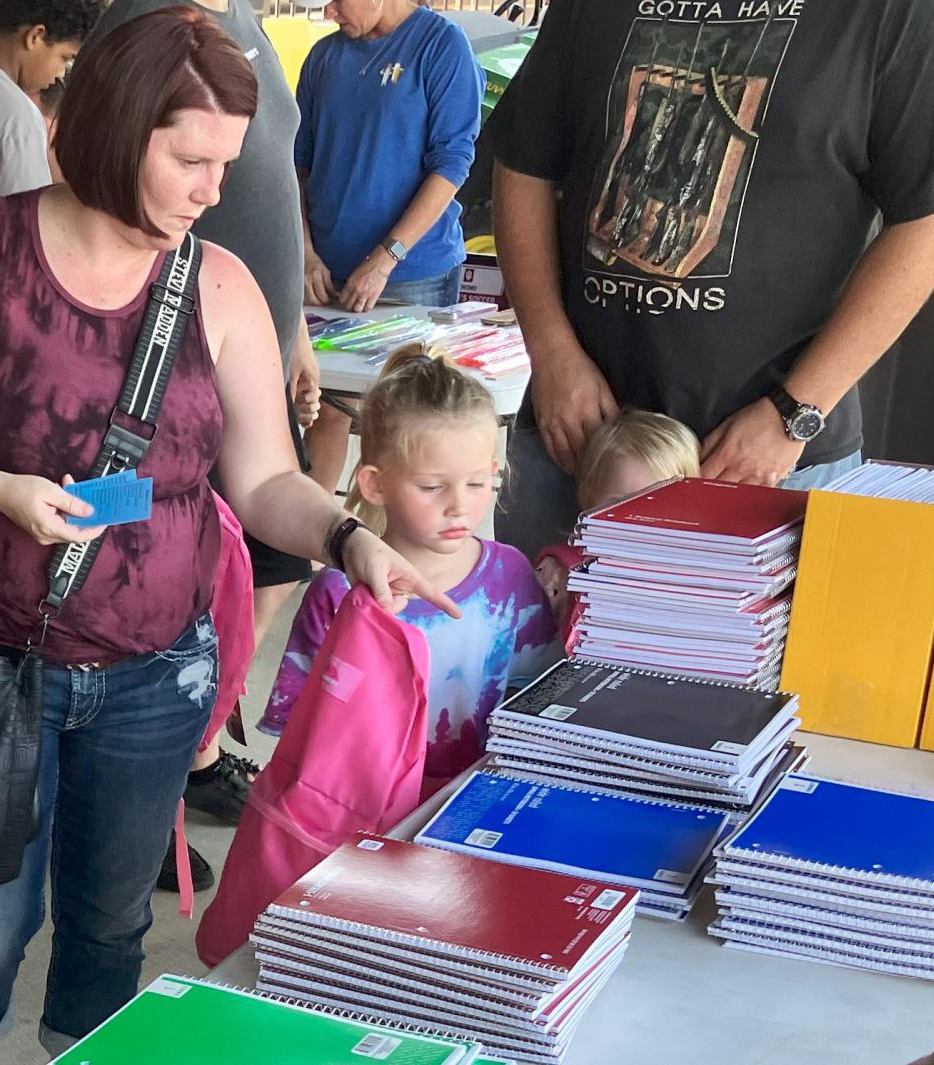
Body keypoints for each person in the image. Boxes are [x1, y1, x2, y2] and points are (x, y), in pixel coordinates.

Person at [0, 11, 456, 1062]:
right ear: (115, 128)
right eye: (190, 159)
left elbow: (267, 480)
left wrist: (349, 539)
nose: (212, 188)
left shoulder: (217, 285)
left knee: (113, 918)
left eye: (226, 162)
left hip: (155, 674)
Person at [486, 0, 934, 561]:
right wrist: (552, 352)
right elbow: (523, 165)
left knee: (771, 652)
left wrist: (795, 411)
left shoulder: (899, 11)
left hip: (771, 459)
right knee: (543, 646)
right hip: (578, 441)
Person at [75, 0, 324, 889]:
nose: (209, 182)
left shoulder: (246, 17)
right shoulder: (143, 22)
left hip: (246, 337)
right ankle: (141, 789)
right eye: (191, 162)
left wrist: (288, 328)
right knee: (138, 574)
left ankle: (189, 749)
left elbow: (269, 172)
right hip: (159, 375)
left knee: (255, 576)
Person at [259, 345, 561, 794]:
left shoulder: (511, 575)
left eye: (478, 482)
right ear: (375, 483)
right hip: (360, 809)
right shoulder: (339, 592)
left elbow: (539, 694)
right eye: (432, 486)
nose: (460, 505)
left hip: (472, 801)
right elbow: (301, 726)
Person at [293, 0, 485, 496]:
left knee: (407, 427)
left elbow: (453, 164)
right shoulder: (323, 57)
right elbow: (298, 166)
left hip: (412, 273)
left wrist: (386, 257)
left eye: (337, 0)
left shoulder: (441, 45)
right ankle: (321, 544)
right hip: (326, 272)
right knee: (326, 409)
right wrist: (306, 253)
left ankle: (398, 548)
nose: (329, 11)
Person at [534, 409, 701, 638]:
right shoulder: (561, 575)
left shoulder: (699, 574)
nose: (639, 524)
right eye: (620, 506)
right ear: (589, 499)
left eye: (658, 506)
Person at [0, 0, 101, 196]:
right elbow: (26, 221)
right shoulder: (17, 116)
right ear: (35, 36)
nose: (60, 73)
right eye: (65, 57)